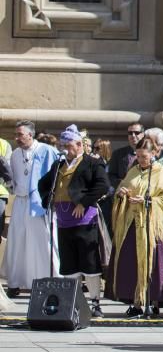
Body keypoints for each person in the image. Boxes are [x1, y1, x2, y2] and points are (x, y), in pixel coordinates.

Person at [36, 125, 109, 316]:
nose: (65, 149)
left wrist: (83, 203)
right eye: (63, 145)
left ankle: (95, 303)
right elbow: (43, 183)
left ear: (79, 145)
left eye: (68, 146)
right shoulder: (59, 165)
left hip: (85, 220)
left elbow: (103, 186)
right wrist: (49, 201)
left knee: (89, 262)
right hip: (63, 220)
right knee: (69, 263)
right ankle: (76, 302)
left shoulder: (92, 163)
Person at [109, 132, 163, 317]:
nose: (140, 160)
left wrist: (147, 201)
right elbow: (122, 188)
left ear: (154, 153)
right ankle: (136, 302)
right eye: (138, 156)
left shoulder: (161, 171)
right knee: (132, 264)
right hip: (132, 224)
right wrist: (121, 193)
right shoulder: (133, 170)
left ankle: (153, 301)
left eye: (144, 156)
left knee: (153, 264)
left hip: (152, 227)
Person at [3, 121, 59, 296]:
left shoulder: (47, 150)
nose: (17, 138)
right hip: (20, 202)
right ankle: (15, 282)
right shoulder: (14, 155)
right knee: (17, 241)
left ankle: (50, 280)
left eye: (20, 134)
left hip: (39, 203)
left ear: (30, 134)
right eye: (16, 134)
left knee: (43, 242)